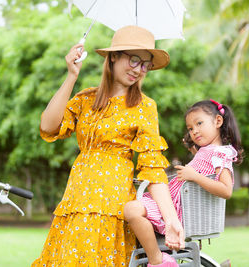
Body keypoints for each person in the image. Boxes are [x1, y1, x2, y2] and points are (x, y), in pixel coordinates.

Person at [32, 25, 184, 266]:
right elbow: (49, 127)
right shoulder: (86, 99)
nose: (139, 70)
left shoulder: (144, 107)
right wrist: (71, 75)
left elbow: (153, 168)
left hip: (112, 198)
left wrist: (171, 219)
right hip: (77, 195)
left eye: (145, 65)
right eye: (134, 60)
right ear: (113, 56)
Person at [124, 99, 243, 267]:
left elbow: (226, 190)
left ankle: (158, 261)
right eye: (190, 128)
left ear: (218, 121)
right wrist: (194, 153)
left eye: (199, 123)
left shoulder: (221, 153)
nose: (194, 131)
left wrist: (194, 176)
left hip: (177, 213)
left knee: (132, 209)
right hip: (170, 206)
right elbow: (203, 166)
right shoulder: (207, 151)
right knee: (129, 207)